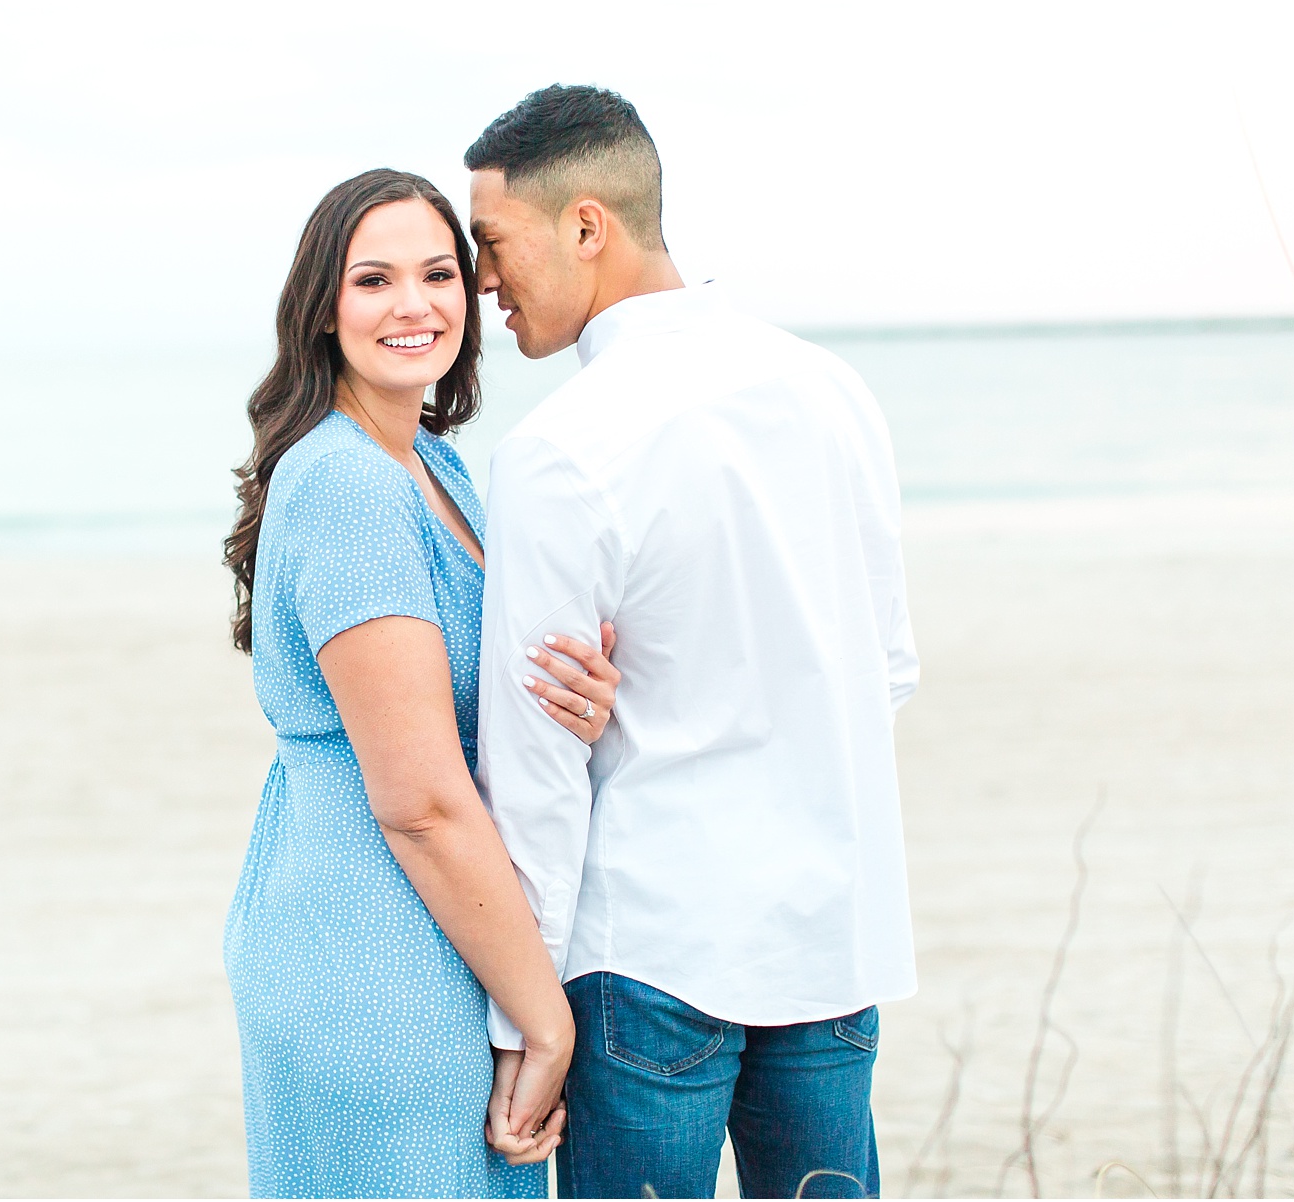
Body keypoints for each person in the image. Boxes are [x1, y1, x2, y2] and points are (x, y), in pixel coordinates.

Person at [467, 86, 920, 1199]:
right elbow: (889, 666)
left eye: (490, 242)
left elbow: (536, 767)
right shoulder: (833, 388)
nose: (482, 281)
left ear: (586, 225)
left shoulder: (560, 447)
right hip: (829, 935)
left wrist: (523, 1018)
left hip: (651, 949)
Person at [220, 168, 622, 1199]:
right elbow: (421, 801)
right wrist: (544, 1013)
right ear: (322, 308)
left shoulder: (431, 464)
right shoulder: (351, 485)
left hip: (436, 929)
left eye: (440, 272)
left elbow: (466, 690)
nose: (416, 304)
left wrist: (576, 694)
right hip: (376, 951)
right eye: (374, 279)